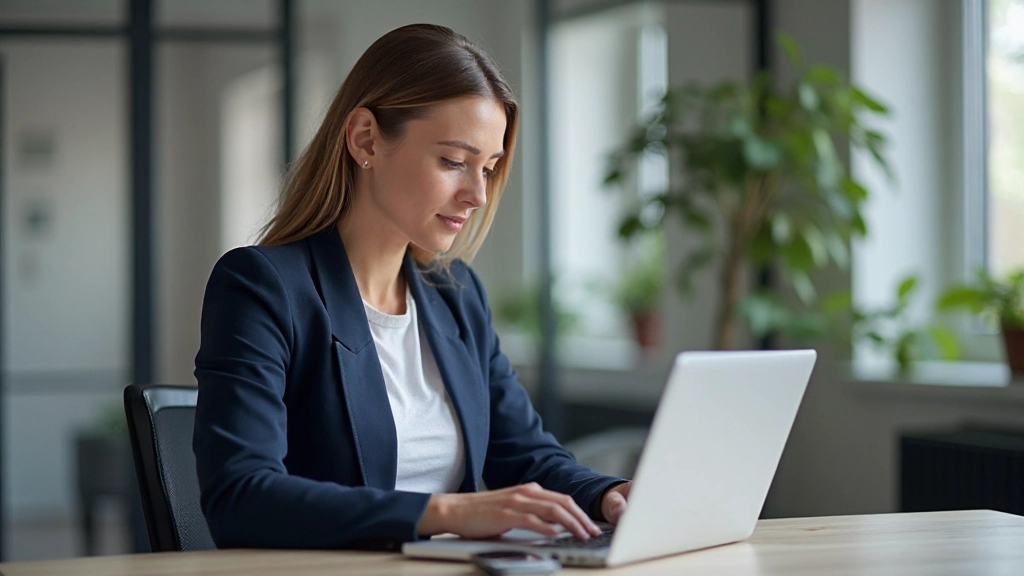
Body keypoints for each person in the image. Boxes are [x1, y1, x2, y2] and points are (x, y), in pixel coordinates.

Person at [193, 23, 631, 551]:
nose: (477, 195)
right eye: (453, 162)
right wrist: (446, 512)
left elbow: (527, 455)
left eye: (488, 169)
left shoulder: (458, 295)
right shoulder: (263, 288)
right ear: (366, 140)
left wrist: (609, 494)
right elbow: (241, 498)